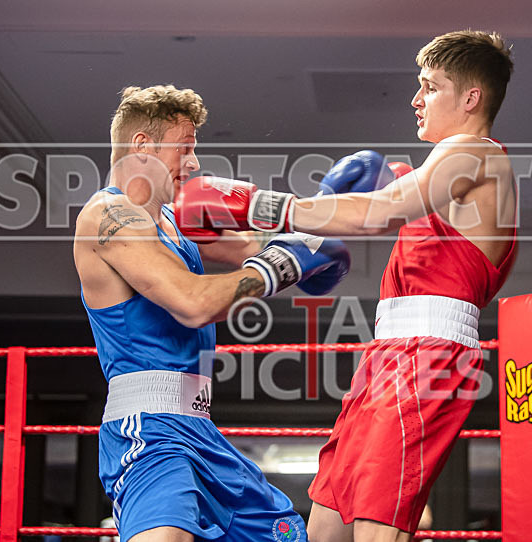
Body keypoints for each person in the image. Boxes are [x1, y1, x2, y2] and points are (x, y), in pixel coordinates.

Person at [176, 30, 517, 542]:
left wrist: (255, 202)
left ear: (470, 98)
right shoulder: (441, 170)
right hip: (390, 355)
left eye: (430, 86)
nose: (416, 99)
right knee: (326, 521)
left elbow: (378, 213)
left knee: (379, 527)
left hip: (427, 357)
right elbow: (364, 208)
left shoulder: (475, 153)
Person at [74, 84, 351, 542]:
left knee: (284, 536)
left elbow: (256, 249)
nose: (194, 163)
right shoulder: (106, 215)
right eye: (184, 148)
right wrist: (283, 265)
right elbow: (194, 303)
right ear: (142, 146)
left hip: (199, 427)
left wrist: (321, 225)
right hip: (147, 431)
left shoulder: (172, 221)